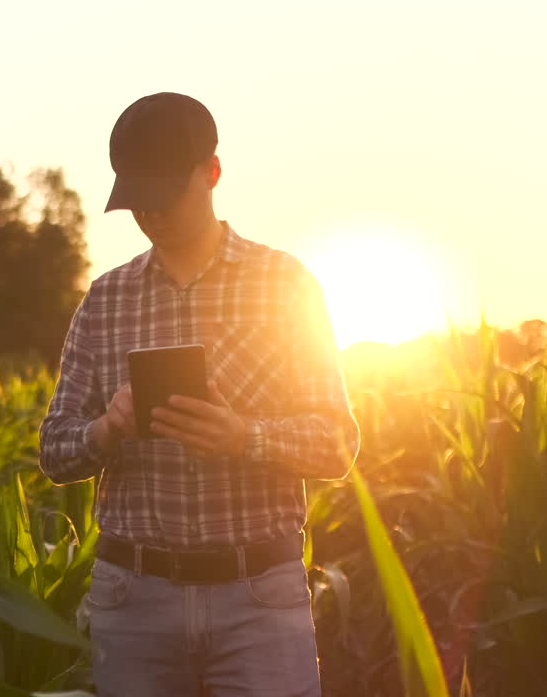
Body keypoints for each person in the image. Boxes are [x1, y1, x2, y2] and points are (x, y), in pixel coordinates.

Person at [38, 92, 360, 697]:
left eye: (165, 196)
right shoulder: (105, 301)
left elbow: (338, 445)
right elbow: (54, 451)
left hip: (259, 599)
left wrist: (245, 437)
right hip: (133, 602)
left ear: (211, 173)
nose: (151, 215)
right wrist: (106, 430)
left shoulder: (285, 286)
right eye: (137, 201)